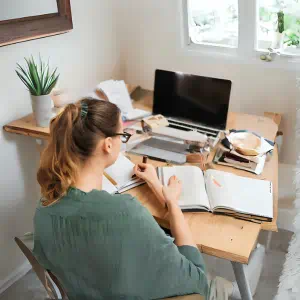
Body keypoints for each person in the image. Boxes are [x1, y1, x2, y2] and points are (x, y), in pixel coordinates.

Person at [33, 98, 234, 300]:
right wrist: (172, 202)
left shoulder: (44, 207)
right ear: (108, 145)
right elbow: (196, 280)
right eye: (123, 135)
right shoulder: (125, 212)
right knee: (222, 286)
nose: (123, 139)